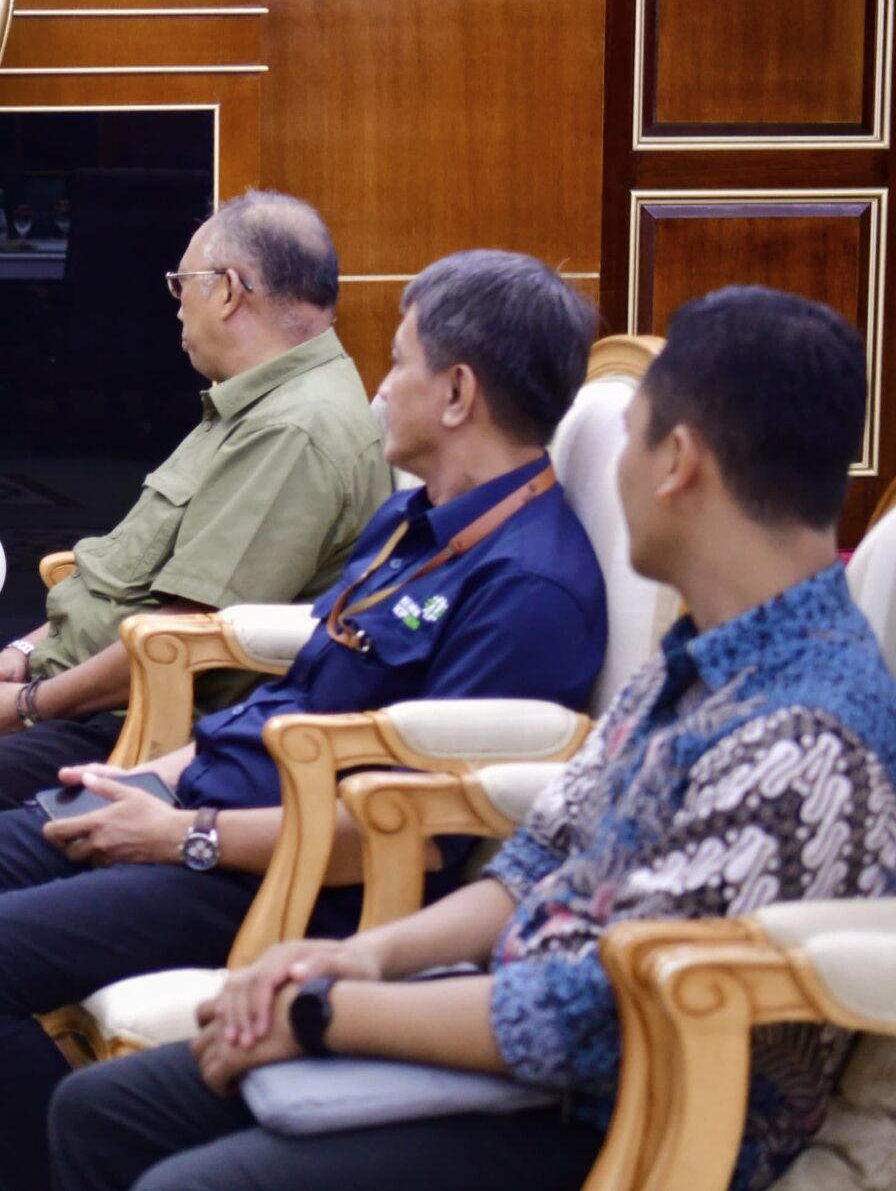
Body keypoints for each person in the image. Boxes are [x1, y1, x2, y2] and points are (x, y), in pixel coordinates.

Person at [0, 249, 610, 1191]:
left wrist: (182, 834)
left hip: (280, 869)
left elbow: (407, 829)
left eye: (402, 362)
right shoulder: (416, 523)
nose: (380, 385)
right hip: (195, 797)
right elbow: (295, 699)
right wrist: (151, 777)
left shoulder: (526, 590)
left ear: (456, 393)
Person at [49, 287, 896, 1191]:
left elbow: (597, 1020)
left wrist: (327, 1010)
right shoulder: (701, 653)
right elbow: (539, 856)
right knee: (101, 1111)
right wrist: (363, 956)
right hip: (516, 1040)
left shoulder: (805, 734)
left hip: (629, 1117)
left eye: (632, 438)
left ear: (678, 464)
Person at [0, 190, 389, 1117]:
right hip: (84, 683)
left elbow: (177, 633)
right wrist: (20, 654)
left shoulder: (293, 430)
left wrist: (31, 705)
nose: (175, 302)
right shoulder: (245, 405)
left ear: (231, 289)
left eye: (182, 280)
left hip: (145, 721)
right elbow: (121, 575)